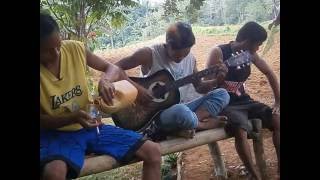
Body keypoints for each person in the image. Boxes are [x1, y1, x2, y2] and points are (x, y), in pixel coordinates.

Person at [40, 13, 161, 180]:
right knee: (54, 173)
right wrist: (72, 118)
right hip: (57, 135)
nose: (56, 53)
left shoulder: (75, 49)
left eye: (58, 46)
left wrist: (105, 80)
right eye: (47, 50)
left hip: (92, 127)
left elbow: (113, 68)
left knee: (153, 152)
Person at [115, 22, 230, 138]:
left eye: (185, 54)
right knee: (180, 111)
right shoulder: (150, 54)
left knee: (223, 94)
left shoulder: (190, 59)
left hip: (184, 109)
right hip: (157, 115)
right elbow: (115, 68)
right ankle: (202, 125)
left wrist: (216, 81)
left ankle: (190, 123)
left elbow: (199, 87)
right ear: (167, 44)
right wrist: (139, 90)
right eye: (177, 55)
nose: (181, 59)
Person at [206, 21, 280, 180]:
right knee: (240, 129)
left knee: (277, 119)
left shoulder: (250, 54)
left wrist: (278, 102)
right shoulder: (218, 52)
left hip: (244, 100)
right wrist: (218, 78)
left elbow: (270, 73)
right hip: (225, 103)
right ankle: (255, 176)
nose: (258, 48)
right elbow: (205, 85)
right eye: (258, 44)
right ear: (247, 41)